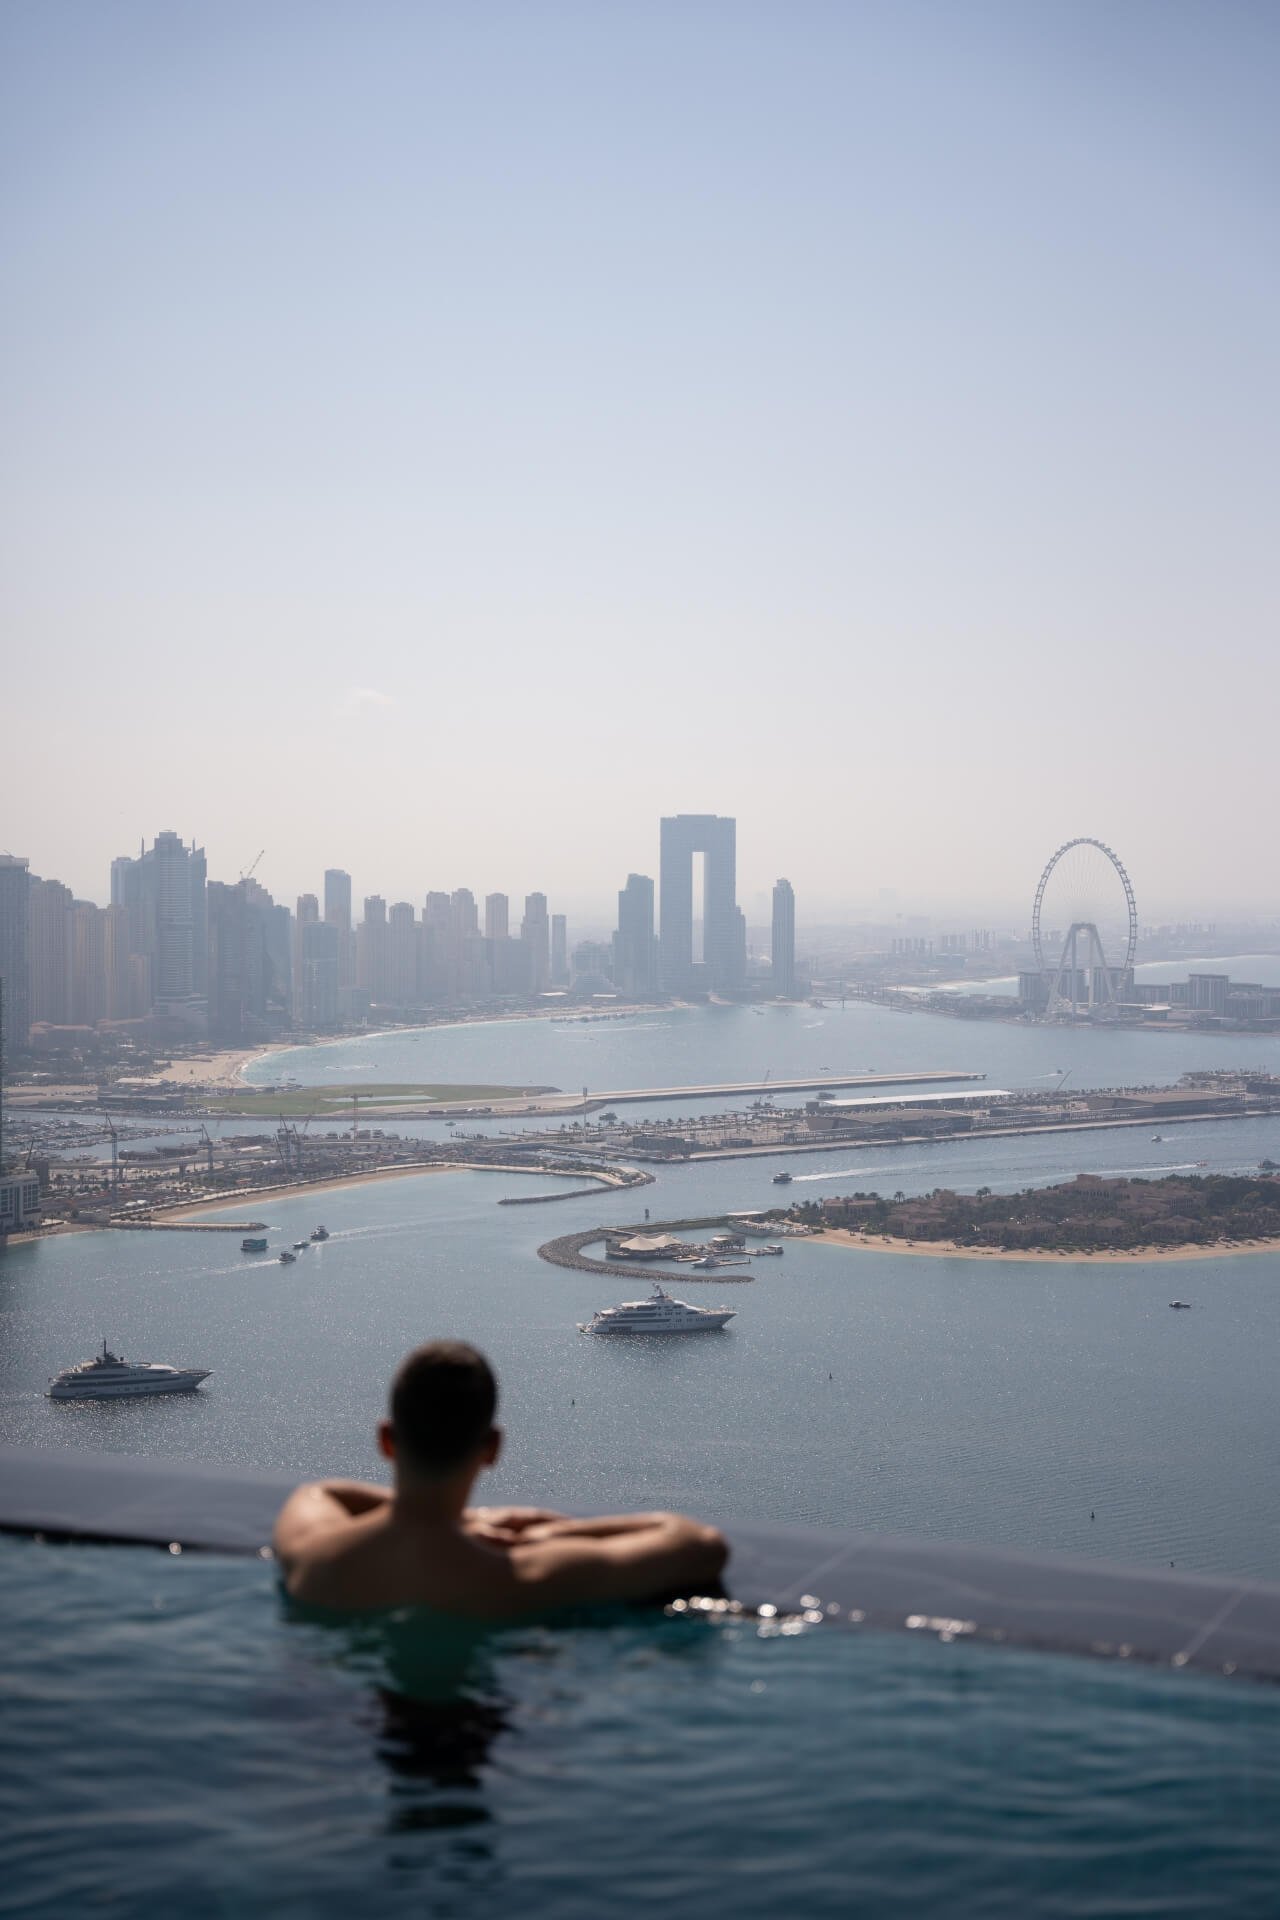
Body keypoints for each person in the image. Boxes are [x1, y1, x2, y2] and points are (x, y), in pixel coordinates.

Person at [273, 1339, 728, 1616]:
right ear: (491, 1448)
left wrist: (449, 1520)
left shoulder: (313, 1554)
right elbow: (701, 1544)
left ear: (387, 1439)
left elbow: (321, 1491)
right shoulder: (526, 1576)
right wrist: (552, 1530)